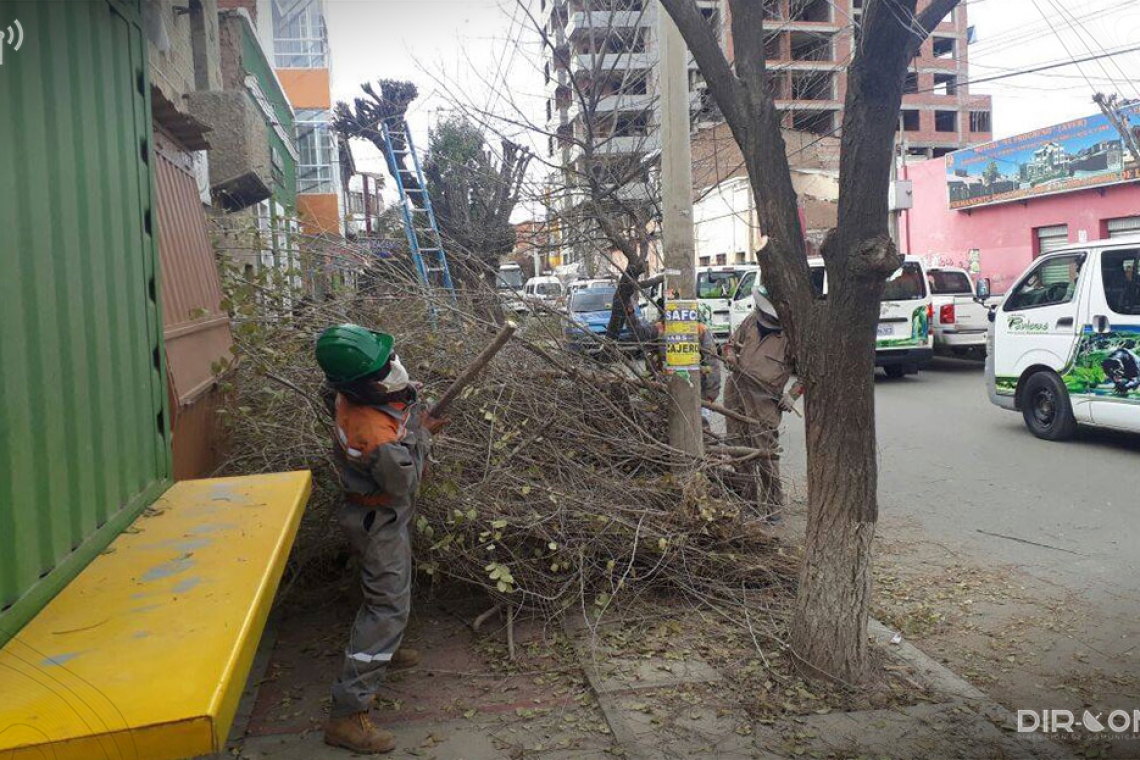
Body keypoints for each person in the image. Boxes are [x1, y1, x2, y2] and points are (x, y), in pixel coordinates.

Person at [315, 324, 448, 755]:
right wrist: (423, 434)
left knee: (390, 590)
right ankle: (347, 715)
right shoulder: (376, 437)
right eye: (385, 367)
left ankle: (387, 648)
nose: (394, 367)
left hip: (369, 510)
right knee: (387, 607)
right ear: (365, 383)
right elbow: (402, 484)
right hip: (379, 515)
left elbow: (388, 410)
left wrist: (404, 402)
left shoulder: (345, 392)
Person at [722, 282, 802, 520]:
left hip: (765, 399)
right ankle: (747, 502)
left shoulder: (792, 337)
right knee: (738, 446)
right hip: (736, 390)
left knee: (764, 452)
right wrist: (730, 356)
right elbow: (728, 344)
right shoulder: (750, 321)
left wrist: (793, 395)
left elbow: (809, 373)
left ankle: (773, 506)